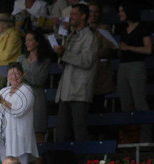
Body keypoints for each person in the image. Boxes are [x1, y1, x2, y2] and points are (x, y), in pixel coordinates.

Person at [53, 3, 97, 142]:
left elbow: (86, 61)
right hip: (65, 90)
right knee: (61, 132)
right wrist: (61, 53)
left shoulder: (90, 36)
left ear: (83, 16)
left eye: (73, 14)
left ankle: (84, 163)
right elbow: (63, 63)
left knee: (79, 130)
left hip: (79, 91)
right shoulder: (71, 35)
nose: (70, 17)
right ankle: (63, 163)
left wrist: (64, 53)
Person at [0, 63, 38, 164]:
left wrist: (1, 101)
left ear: (23, 74)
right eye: (11, 74)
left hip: (18, 138)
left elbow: (18, 110)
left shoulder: (27, 90)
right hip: (2, 138)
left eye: (17, 73)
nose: (14, 77)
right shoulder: (3, 91)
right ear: (7, 75)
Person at [115, 4, 152, 143]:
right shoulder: (123, 29)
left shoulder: (142, 28)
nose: (120, 14)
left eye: (122, 11)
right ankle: (129, 139)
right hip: (123, 66)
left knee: (140, 102)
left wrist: (128, 47)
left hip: (136, 65)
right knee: (126, 104)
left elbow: (148, 49)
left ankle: (145, 137)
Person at [19, 30, 53, 142]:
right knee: (22, 133)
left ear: (37, 42)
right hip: (22, 97)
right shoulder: (21, 59)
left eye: (30, 40)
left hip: (37, 98)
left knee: (38, 132)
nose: (27, 43)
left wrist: (23, 74)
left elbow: (39, 80)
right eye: (26, 41)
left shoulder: (45, 61)